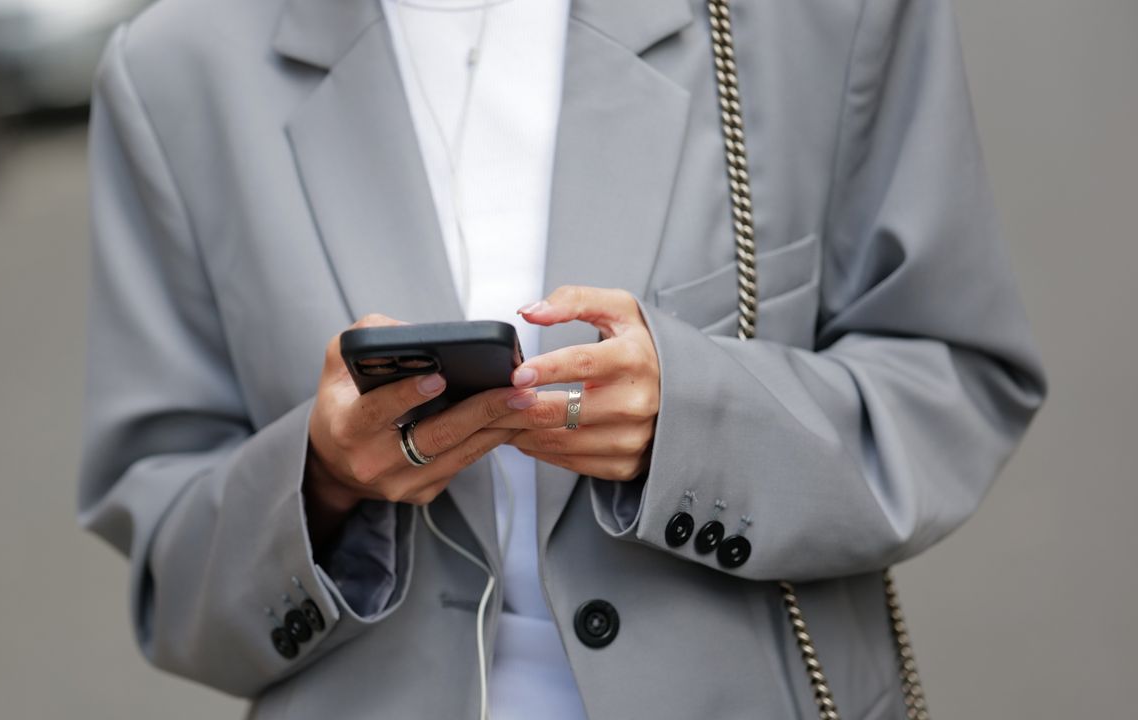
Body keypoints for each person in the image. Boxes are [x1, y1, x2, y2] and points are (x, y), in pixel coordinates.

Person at [78, 0, 1046, 717]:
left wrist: (691, 423)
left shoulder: (819, 19)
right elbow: (169, 561)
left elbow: (954, 373)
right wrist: (322, 485)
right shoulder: (176, 73)